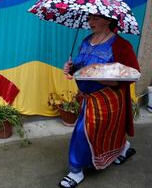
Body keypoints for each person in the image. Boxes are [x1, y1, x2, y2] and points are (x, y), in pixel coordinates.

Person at [59, 14, 140, 188]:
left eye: (96, 19)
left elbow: (133, 73)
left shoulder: (121, 45)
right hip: (88, 99)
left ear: (108, 20)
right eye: (89, 18)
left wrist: (112, 81)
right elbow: (81, 68)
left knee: (84, 132)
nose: (90, 22)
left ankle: (75, 171)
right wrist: (70, 68)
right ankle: (123, 149)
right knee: (98, 131)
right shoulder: (87, 40)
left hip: (109, 98)